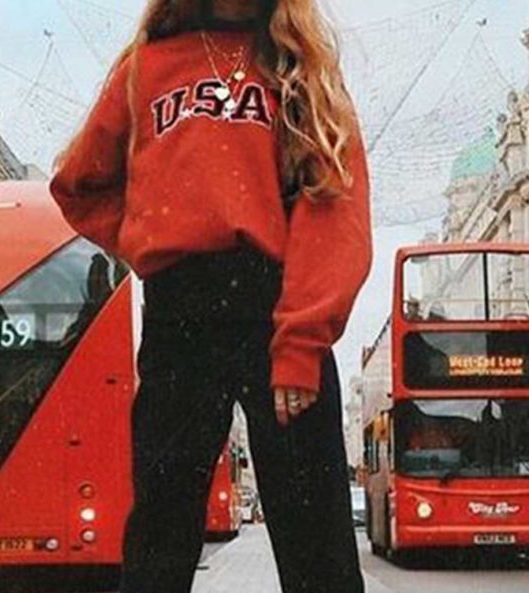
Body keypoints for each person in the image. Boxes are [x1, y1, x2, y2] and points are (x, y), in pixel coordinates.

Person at [51, 0, 371, 591]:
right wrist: (148, 234)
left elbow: (334, 210)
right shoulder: (144, 67)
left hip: (279, 311)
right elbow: (78, 183)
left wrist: (301, 342)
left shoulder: (299, 68)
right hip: (178, 315)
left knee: (317, 542)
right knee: (159, 535)